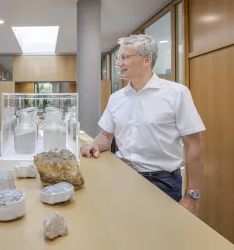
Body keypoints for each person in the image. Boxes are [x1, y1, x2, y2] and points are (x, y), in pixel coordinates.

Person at [80, 35, 205, 216]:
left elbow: (194, 145)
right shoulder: (116, 98)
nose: (118, 64)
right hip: (121, 177)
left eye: (125, 57)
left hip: (163, 183)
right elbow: (106, 136)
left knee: (160, 240)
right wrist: (95, 144)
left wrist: (192, 196)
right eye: (118, 58)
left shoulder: (177, 93)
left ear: (147, 60)